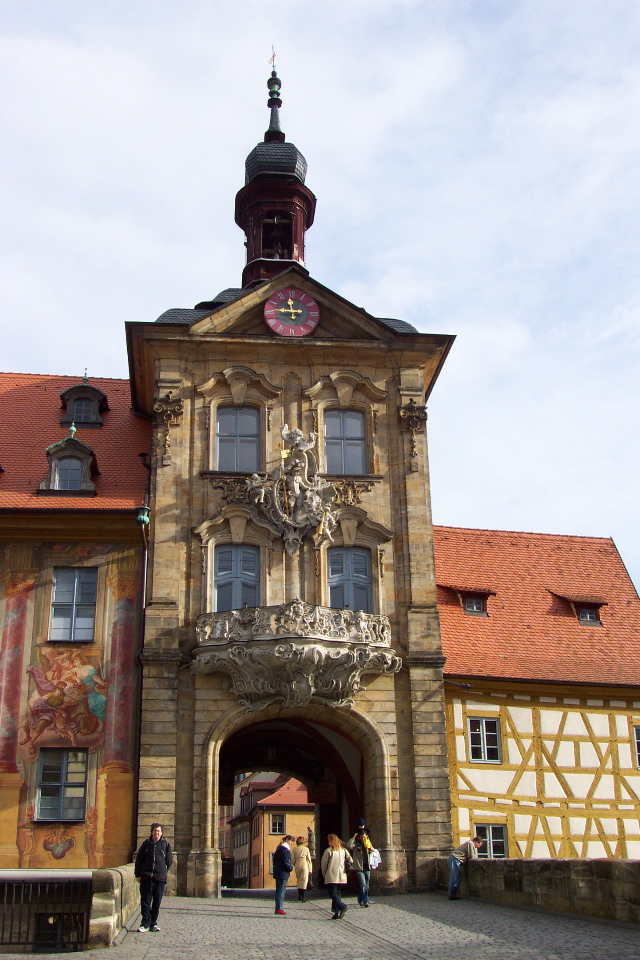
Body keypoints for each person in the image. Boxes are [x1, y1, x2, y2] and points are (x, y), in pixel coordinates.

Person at [135, 823, 173, 932]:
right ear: (152, 832)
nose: (157, 833)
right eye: (155, 831)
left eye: (159, 831)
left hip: (159, 879)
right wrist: (138, 874)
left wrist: (162, 871)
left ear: (161, 833)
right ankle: (145, 923)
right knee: (145, 902)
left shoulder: (165, 845)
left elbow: (169, 861)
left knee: (157, 902)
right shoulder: (146, 844)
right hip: (147, 877)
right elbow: (139, 860)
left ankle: (153, 923)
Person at [320, 833, 353, 919]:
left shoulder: (329, 851)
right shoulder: (343, 850)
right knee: (337, 894)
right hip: (342, 875)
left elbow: (324, 864)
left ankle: (342, 906)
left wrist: (324, 873)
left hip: (331, 875)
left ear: (331, 841)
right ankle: (336, 912)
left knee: (332, 893)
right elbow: (351, 860)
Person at [347, 819, 374, 907]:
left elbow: (373, 850)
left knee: (367, 885)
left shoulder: (368, 844)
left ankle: (361, 899)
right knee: (363, 884)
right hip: (359, 867)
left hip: (367, 866)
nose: (363, 838)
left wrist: (373, 850)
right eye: (362, 837)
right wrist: (354, 837)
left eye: (364, 837)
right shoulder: (356, 845)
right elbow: (349, 846)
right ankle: (365, 900)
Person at [447, 836, 483, 900]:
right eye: (479, 845)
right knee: (454, 877)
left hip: (456, 859)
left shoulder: (470, 844)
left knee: (458, 877)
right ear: (477, 842)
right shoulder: (470, 843)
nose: (479, 847)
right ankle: (451, 894)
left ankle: (453, 892)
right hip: (455, 859)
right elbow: (472, 856)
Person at [272, 834, 295, 915]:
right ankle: (279, 908)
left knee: (279, 890)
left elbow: (274, 860)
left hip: (278, 872)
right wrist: (290, 868)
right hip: (282, 872)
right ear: (287, 840)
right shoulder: (285, 850)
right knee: (281, 891)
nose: (292, 843)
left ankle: (278, 907)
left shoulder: (279, 848)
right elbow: (286, 862)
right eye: (291, 841)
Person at [292, 835, 313, 902]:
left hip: (298, 864)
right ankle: (303, 897)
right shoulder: (306, 849)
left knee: (299, 880)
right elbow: (309, 860)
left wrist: (294, 864)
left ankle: (299, 895)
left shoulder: (295, 849)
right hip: (304, 864)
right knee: (304, 881)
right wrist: (310, 870)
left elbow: (292, 859)